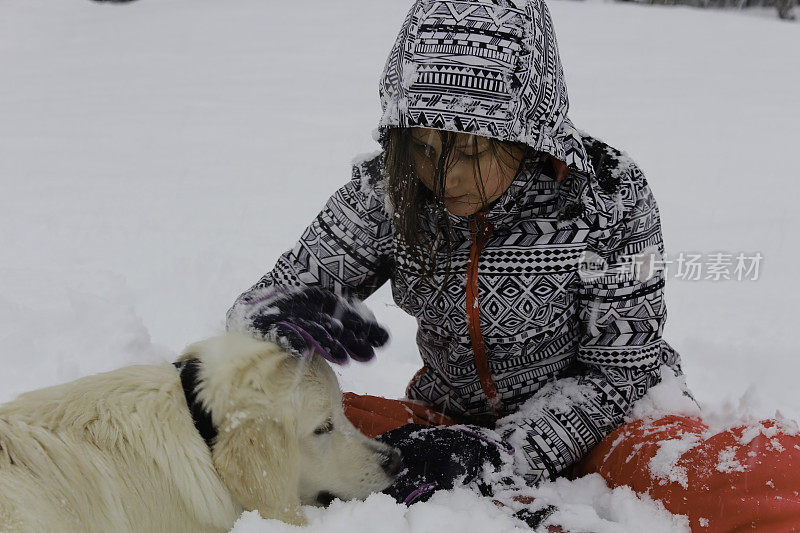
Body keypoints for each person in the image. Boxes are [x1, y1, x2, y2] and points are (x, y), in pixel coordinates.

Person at [227, 0, 800, 529]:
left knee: (741, 483)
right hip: (450, 427)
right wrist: (267, 322)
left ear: (530, 131)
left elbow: (617, 374)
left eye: (470, 152)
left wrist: (504, 453)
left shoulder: (609, 198)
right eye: (422, 149)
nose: (443, 175)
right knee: (274, 431)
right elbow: (257, 314)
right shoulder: (389, 192)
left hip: (614, 428)